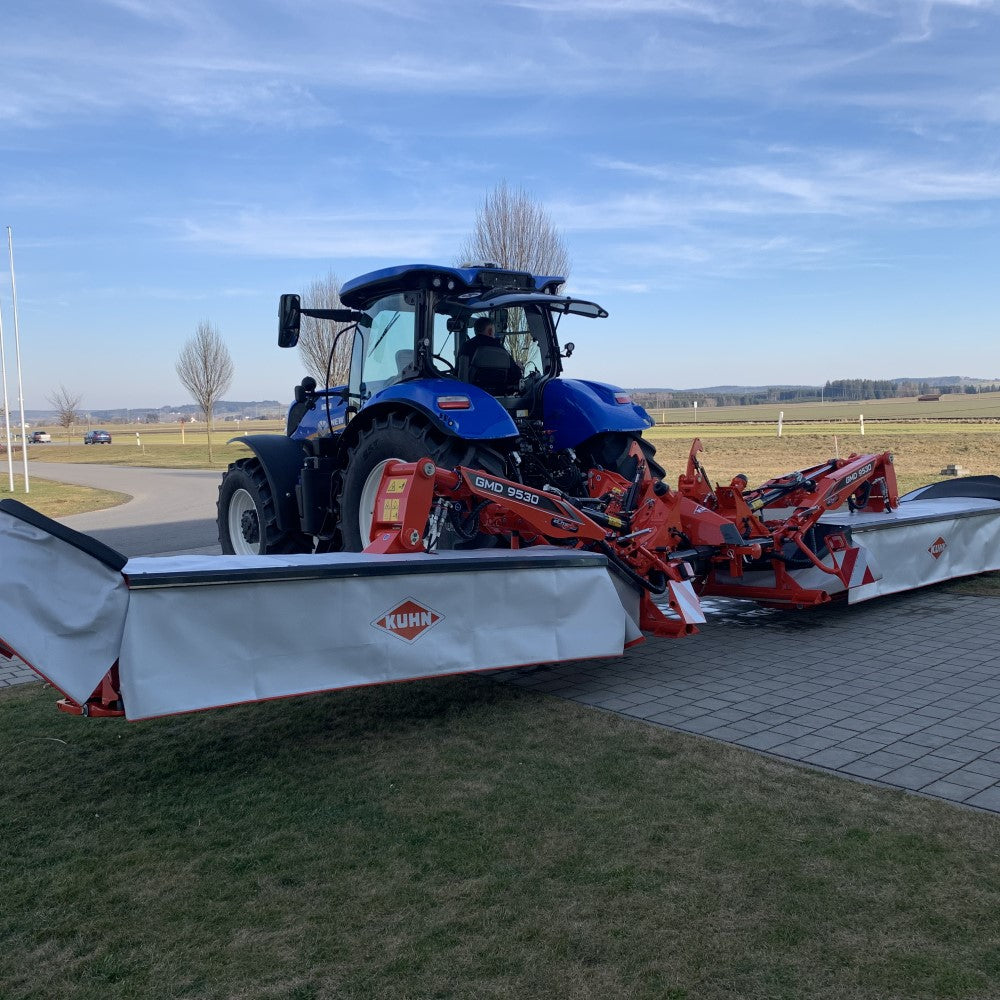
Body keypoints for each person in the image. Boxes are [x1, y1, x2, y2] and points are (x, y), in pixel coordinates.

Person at [457, 316, 522, 391]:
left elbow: (459, 373)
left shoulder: (466, 346)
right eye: (494, 332)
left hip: (472, 393)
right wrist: (519, 368)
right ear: (490, 331)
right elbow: (516, 376)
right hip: (499, 395)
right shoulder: (500, 349)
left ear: (476, 331)